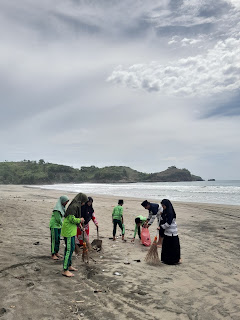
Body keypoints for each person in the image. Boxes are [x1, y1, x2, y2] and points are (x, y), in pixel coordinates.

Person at [61, 192, 88, 277]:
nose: (84, 203)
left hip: (72, 231)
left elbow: (75, 218)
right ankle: (65, 269)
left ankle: (69, 265)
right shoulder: (73, 206)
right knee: (69, 249)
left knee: (72, 247)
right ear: (81, 200)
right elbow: (71, 218)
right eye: (84, 201)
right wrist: (80, 220)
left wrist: (80, 227)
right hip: (68, 231)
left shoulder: (76, 206)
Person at [158, 199, 181, 265]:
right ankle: (166, 260)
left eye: (163, 206)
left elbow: (168, 223)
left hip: (172, 232)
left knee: (173, 247)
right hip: (167, 232)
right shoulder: (165, 211)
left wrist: (161, 227)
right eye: (162, 206)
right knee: (166, 246)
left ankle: (174, 260)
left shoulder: (170, 213)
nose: (162, 207)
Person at [49, 195, 69, 260]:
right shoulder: (57, 209)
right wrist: (64, 226)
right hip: (54, 225)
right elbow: (58, 219)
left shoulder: (62, 208)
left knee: (58, 239)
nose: (66, 203)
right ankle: (53, 254)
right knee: (54, 240)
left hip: (58, 226)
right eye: (66, 202)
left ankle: (56, 252)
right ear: (62, 201)